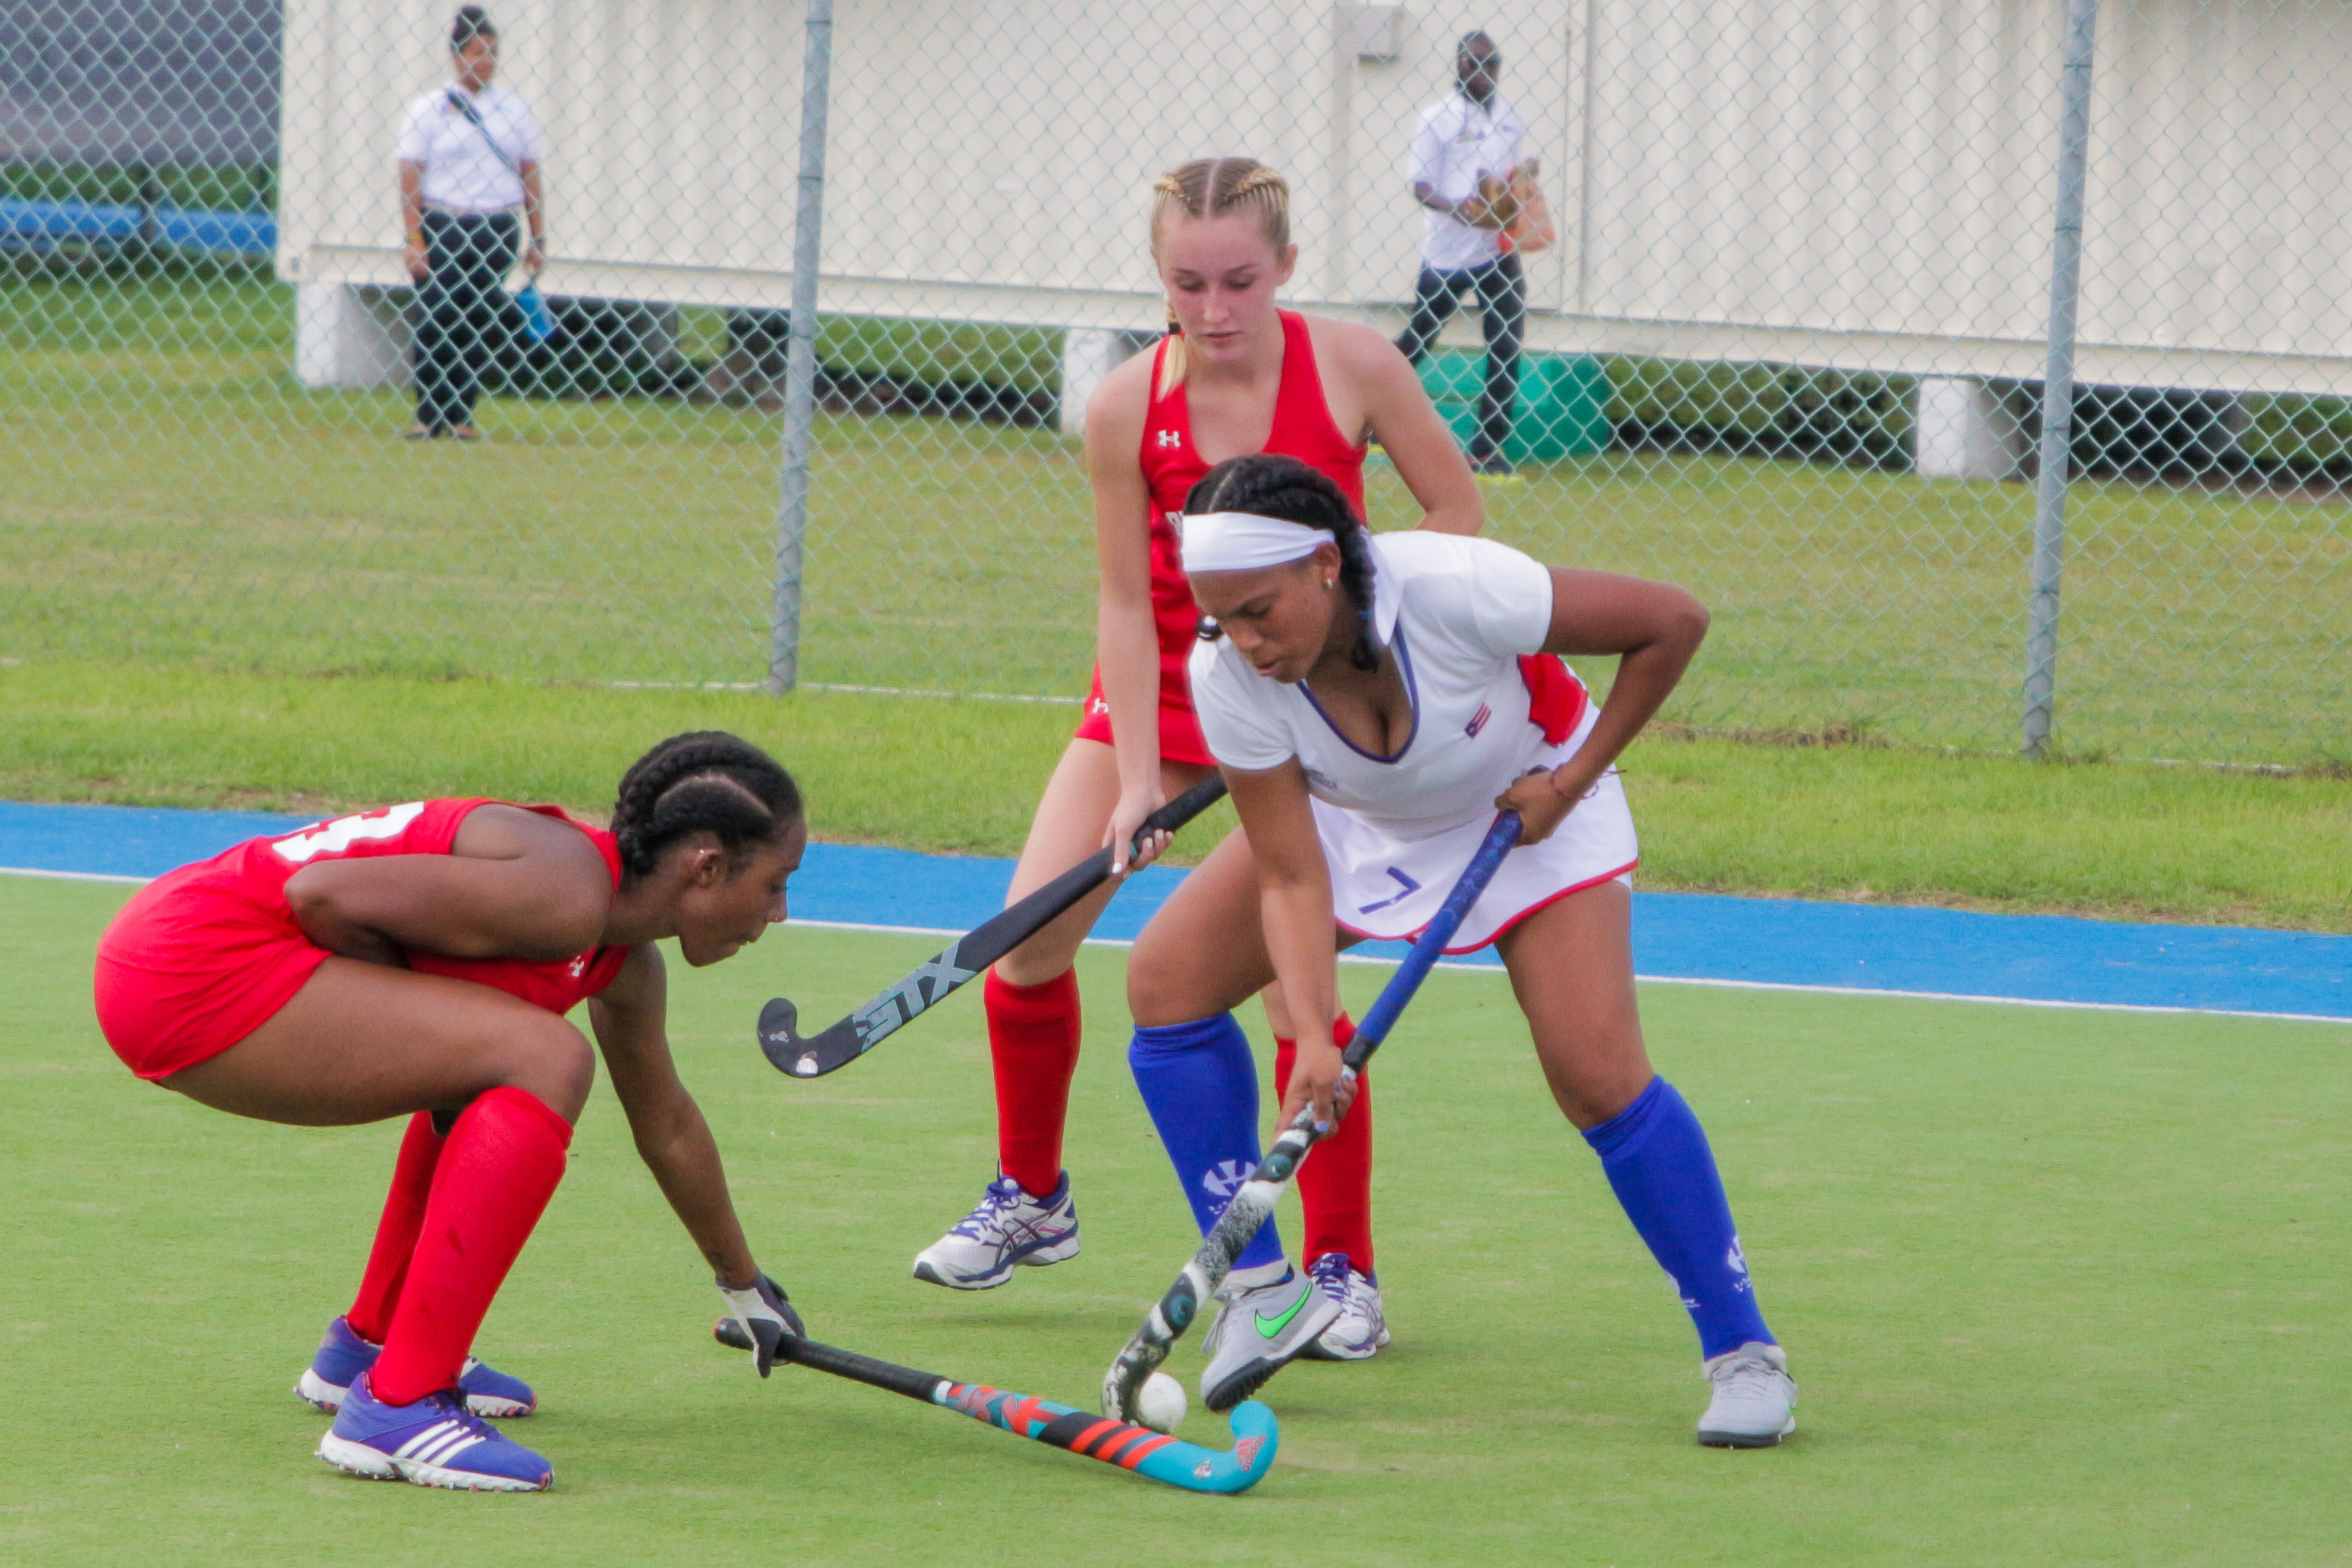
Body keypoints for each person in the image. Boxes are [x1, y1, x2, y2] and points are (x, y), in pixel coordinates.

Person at [910, 157, 1483, 1368]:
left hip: (1310, 707)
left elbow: (1456, 523)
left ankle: (1342, 1273)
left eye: (1238, 280)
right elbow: (1126, 601)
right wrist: (1132, 780)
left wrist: (1335, 641)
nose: (1214, 309)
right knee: (1029, 940)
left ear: (1284, 266)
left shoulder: (1355, 370)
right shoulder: (1126, 403)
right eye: (1187, 284)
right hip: (1161, 702)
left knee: (1292, 992)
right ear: (1158, 278)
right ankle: (1032, 1198)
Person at [1118, 450, 1799, 1441]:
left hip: (1526, 803)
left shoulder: (1454, 585)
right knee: (1165, 983)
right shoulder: (1227, 669)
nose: (1246, 641)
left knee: (1595, 1075)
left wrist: (1568, 786)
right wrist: (1311, 1031)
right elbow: (1289, 874)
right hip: (1356, 825)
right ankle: (1261, 1290)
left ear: (1322, 563)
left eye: (1260, 609)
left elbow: (1670, 621)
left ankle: (1743, 1353)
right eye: (1220, 615)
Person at [89, 732, 812, 1491]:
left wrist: (744, 1284)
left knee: (494, 1053)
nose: (782, 911)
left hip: (184, 954)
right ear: (707, 866)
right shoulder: (566, 891)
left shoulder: (619, 955)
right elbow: (321, 896)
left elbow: (666, 1123)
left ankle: (369, 1349)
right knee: (543, 1056)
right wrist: (422, 1009)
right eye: (775, 882)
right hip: (189, 965)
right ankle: (400, 1405)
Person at [394, 6, 544, 440]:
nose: (485, 62)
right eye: (477, 52)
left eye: (492, 53)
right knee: (437, 314)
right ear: (457, 56)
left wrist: (537, 236)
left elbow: (530, 173)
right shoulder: (429, 108)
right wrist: (414, 237)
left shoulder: (512, 109)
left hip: (495, 227)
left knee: (475, 317)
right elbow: (410, 177)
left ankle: (461, 414)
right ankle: (429, 412)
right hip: (444, 222)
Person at [1395, 30, 1532, 479]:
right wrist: (1460, 209)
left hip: (1496, 251)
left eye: (1491, 64)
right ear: (1459, 65)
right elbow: (1420, 184)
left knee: (1506, 345)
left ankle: (1486, 450)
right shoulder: (1437, 118)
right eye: (1474, 63)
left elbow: (1508, 178)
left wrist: (1523, 187)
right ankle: (1374, 421)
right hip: (1448, 252)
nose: (1482, 72)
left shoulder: (1511, 118)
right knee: (1419, 339)